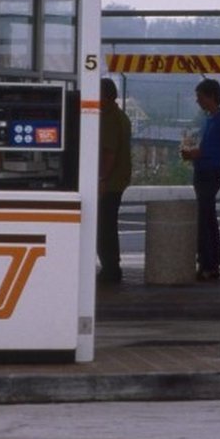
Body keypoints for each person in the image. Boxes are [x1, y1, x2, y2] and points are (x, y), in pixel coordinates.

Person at [181, 78, 220, 281]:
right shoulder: (211, 119)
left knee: (205, 218)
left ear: (211, 97)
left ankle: (208, 263)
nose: (198, 101)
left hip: (209, 172)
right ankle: (211, 261)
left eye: (200, 97)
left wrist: (191, 153)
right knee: (208, 217)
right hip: (205, 170)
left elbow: (210, 149)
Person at [97, 78, 132, 285]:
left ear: (106, 97)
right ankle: (112, 267)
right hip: (119, 178)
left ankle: (110, 269)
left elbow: (109, 153)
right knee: (108, 224)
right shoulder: (122, 116)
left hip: (110, 181)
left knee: (104, 226)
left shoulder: (110, 119)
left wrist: (101, 178)